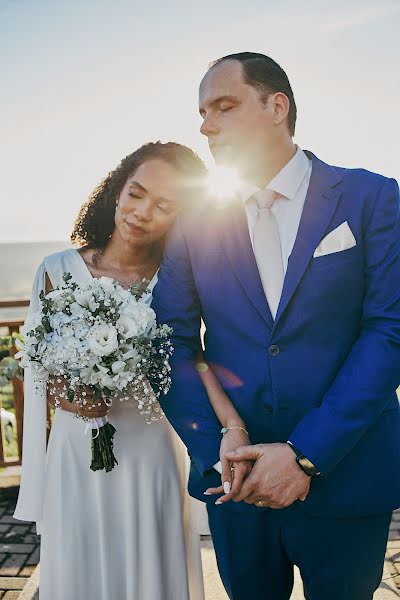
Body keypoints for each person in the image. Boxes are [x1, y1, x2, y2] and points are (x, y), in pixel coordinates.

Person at [152, 53, 400, 600]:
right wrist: (219, 445)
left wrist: (307, 455)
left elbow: (389, 331)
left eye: (224, 105)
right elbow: (169, 340)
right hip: (234, 485)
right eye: (201, 112)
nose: (206, 125)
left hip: (347, 479)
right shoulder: (194, 220)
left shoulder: (374, 198)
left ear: (276, 106)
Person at [14, 142, 209, 600]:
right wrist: (64, 389)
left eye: (164, 206)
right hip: (74, 450)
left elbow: (194, 357)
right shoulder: (56, 269)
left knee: (151, 570)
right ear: (116, 189)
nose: (142, 212)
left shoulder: (179, 281)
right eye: (136, 193)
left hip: (151, 447)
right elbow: (35, 361)